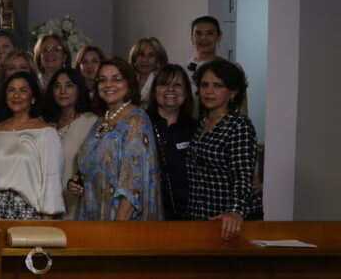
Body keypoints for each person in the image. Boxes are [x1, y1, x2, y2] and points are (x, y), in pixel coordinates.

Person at [69, 58, 162, 221]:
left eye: (117, 79)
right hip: (94, 214)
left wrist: (116, 230)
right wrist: (77, 180)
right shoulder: (102, 120)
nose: (108, 84)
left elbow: (133, 186)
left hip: (121, 221)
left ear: (129, 84)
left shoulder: (136, 121)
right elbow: (96, 162)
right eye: (102, 80)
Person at [185, 60, 262, 239]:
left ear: (233, 92)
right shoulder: (200, 123)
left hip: (229, 222)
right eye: (204, 85)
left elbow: (243, 177)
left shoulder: (239, 125)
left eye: (217, 85)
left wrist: (235, 211)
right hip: (199, 217)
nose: (209, 91)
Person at [0, 72, 64, 220]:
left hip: (30, 212)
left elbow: (52, 178)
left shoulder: (45, 132)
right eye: (11, 90)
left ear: (33, 97)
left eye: (23, 90)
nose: (16, 95)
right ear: (5, 97)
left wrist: (47, 217)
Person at [42, 68, 97, 219]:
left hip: (76, 202)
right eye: (57, 86)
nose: (62, 91)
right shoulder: (46, 124)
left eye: (69, 85)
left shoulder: (90, 121)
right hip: (47, 205)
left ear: (79, 89)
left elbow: (96, 165)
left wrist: (79, 182)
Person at [146, 64, 198, 219]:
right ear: (155, 91)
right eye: (164, 84)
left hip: (187, 217)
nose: (170, 89)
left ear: (186, 92)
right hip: (147, 215)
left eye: (177, 84)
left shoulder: (197, 129)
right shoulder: (139, 125)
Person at [129, 37, 168, 104]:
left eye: (151, 55)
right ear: (134, 58)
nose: (145, 60)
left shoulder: (164, 84)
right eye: (141, 54)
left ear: (158, 60)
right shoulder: (126, 81)